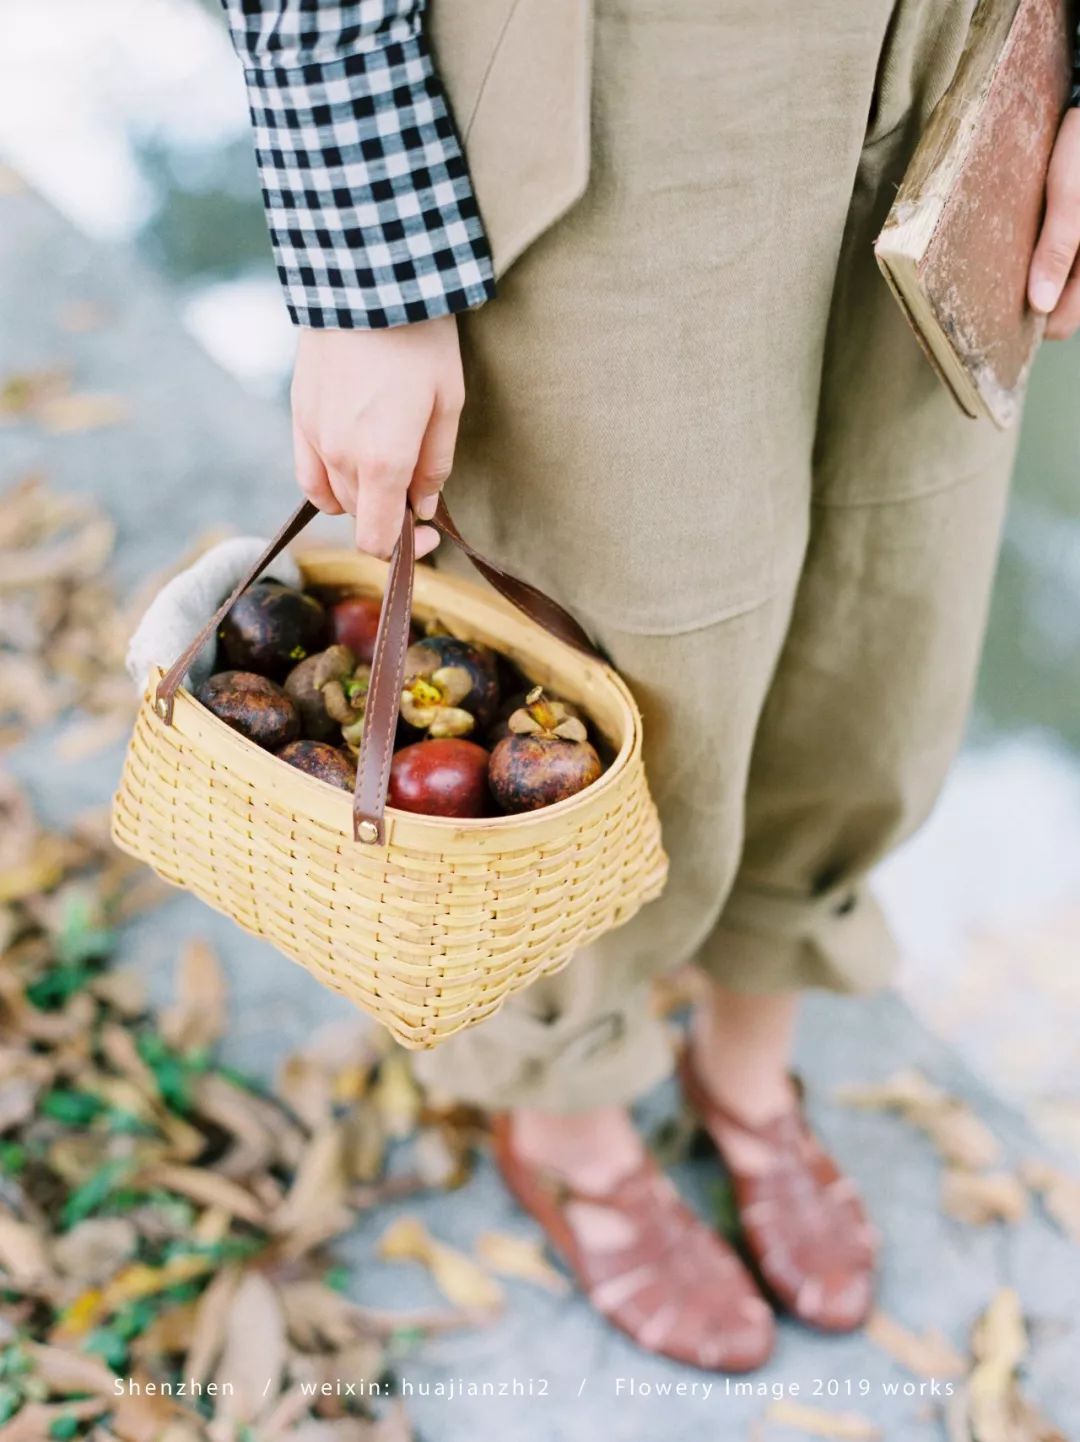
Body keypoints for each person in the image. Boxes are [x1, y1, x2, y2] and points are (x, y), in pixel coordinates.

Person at [219, 0, 1080, 1370]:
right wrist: (367, 258)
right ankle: (564, 1100)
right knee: (629, 660)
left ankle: (750, 1048)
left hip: (974, 34)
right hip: (631, 59)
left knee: (888, 607)